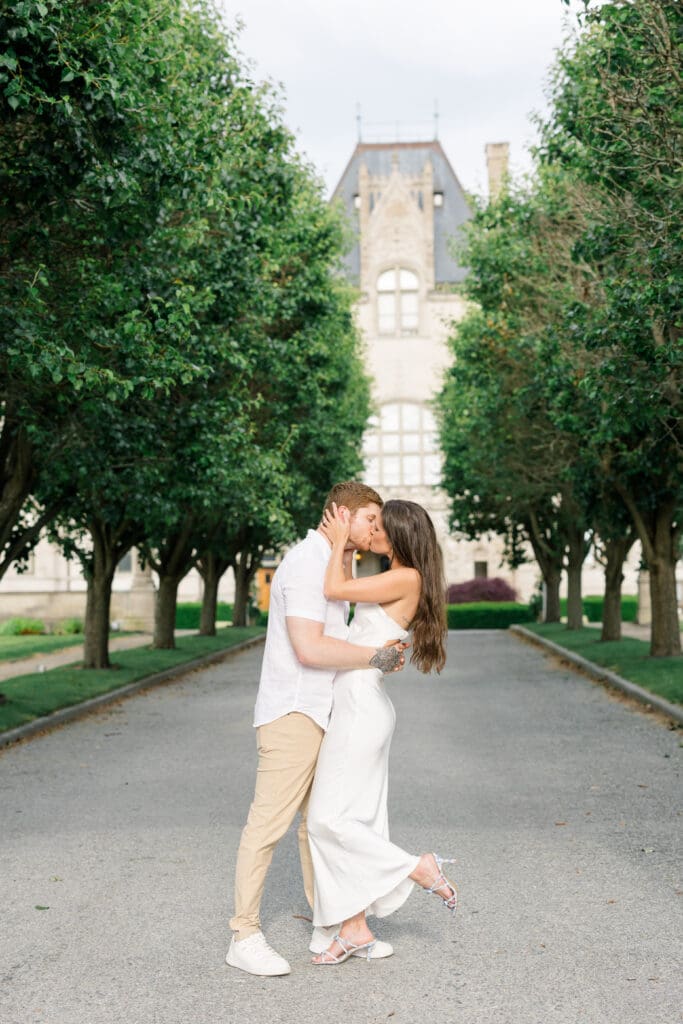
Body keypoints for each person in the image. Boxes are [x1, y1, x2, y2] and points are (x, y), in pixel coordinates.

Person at [226, 481, 407, 978]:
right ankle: (243, 935)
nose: (377, 529)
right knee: (268, 825)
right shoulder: (307, 563)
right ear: (341, 515)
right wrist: (376, 656)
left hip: (324, 710)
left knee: (317, 826)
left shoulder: (335, 563)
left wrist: (376, 653)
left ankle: (331, 927)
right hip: (294, 711)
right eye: (370, 519)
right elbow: (309, 648)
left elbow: (336, 637)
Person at [306, 498, 456, 966]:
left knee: (324, 821)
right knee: (353, 819)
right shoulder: (401, 578)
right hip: (361, 702)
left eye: (379, 526)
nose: (373, 532)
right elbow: (350, 589)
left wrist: (335, 543)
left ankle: (417, 867)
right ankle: (355, 929)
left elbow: (334, 588)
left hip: (360, 707)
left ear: (398, 535)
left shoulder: (406, 576)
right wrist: (348, 549)